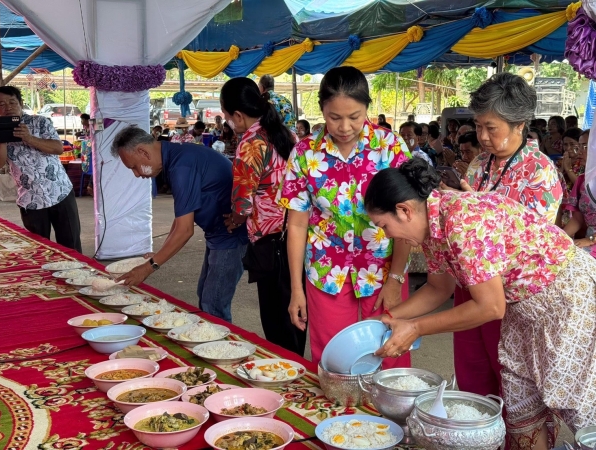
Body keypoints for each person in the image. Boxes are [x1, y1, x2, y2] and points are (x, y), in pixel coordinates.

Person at [366, 159, 596, 450]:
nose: (388, 235)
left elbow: (490, 307)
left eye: (384, 226)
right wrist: (385, 319)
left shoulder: (461, 220)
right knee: (521, 406)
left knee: (575, 399)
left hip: (565, 299)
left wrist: (415, 328)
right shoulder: (432, 226)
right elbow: (438, 289)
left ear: (404, 210)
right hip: (522, 306)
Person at [279, 66, 412, 368]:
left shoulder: (390, 147)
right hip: (326, 271)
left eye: (354, 116)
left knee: (390, 352)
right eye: (334, 117)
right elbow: (297, 225)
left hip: (384, 268)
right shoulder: (304, 153)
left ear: (367, 107)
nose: (344, 127)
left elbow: (407, 218)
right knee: (335, 361)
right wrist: (296, 289)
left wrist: (395, 279)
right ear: (322, 110)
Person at [453, 73, 563, 403]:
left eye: (491, 127)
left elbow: (534, 243)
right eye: (479, 126)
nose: (483, 136)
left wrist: (478, 213)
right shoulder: (479, 164)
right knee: (472, 375)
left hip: (512, 295)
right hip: (471, 283)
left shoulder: (539, 170)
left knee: (512, 382)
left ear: (519, 125)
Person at [111, 126, 248, 323]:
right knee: (205, 294)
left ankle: (223, 341)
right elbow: (182, 217)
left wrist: (149, 267)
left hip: (230, 236)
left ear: (143, 152)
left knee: (213, 304)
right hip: (218, 234)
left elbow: (185, 230)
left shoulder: (181, 167)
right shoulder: (175, 157)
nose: (136, 174)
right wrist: (160, 252)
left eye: (134, 167)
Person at [220, 77, 305, 355]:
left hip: (270, 241)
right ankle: (296, 364)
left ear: (238, 115)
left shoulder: (250, 143)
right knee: (295, 312)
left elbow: (243, 202)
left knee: (276, 319)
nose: (228, 122)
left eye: (226, 115)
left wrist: (234, 219)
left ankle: (286, 370)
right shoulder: (287, 135)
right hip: (297, 233)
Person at [0, 85, 82, 252]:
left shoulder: (40, 122)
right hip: (30, 200)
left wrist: (29, 138)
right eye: (1, 104)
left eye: (12, 102)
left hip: (60, 192)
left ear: (20, 103)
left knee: (71, 245)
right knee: (40, 250)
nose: (7, 107)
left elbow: (58, 148)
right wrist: (1, 138)